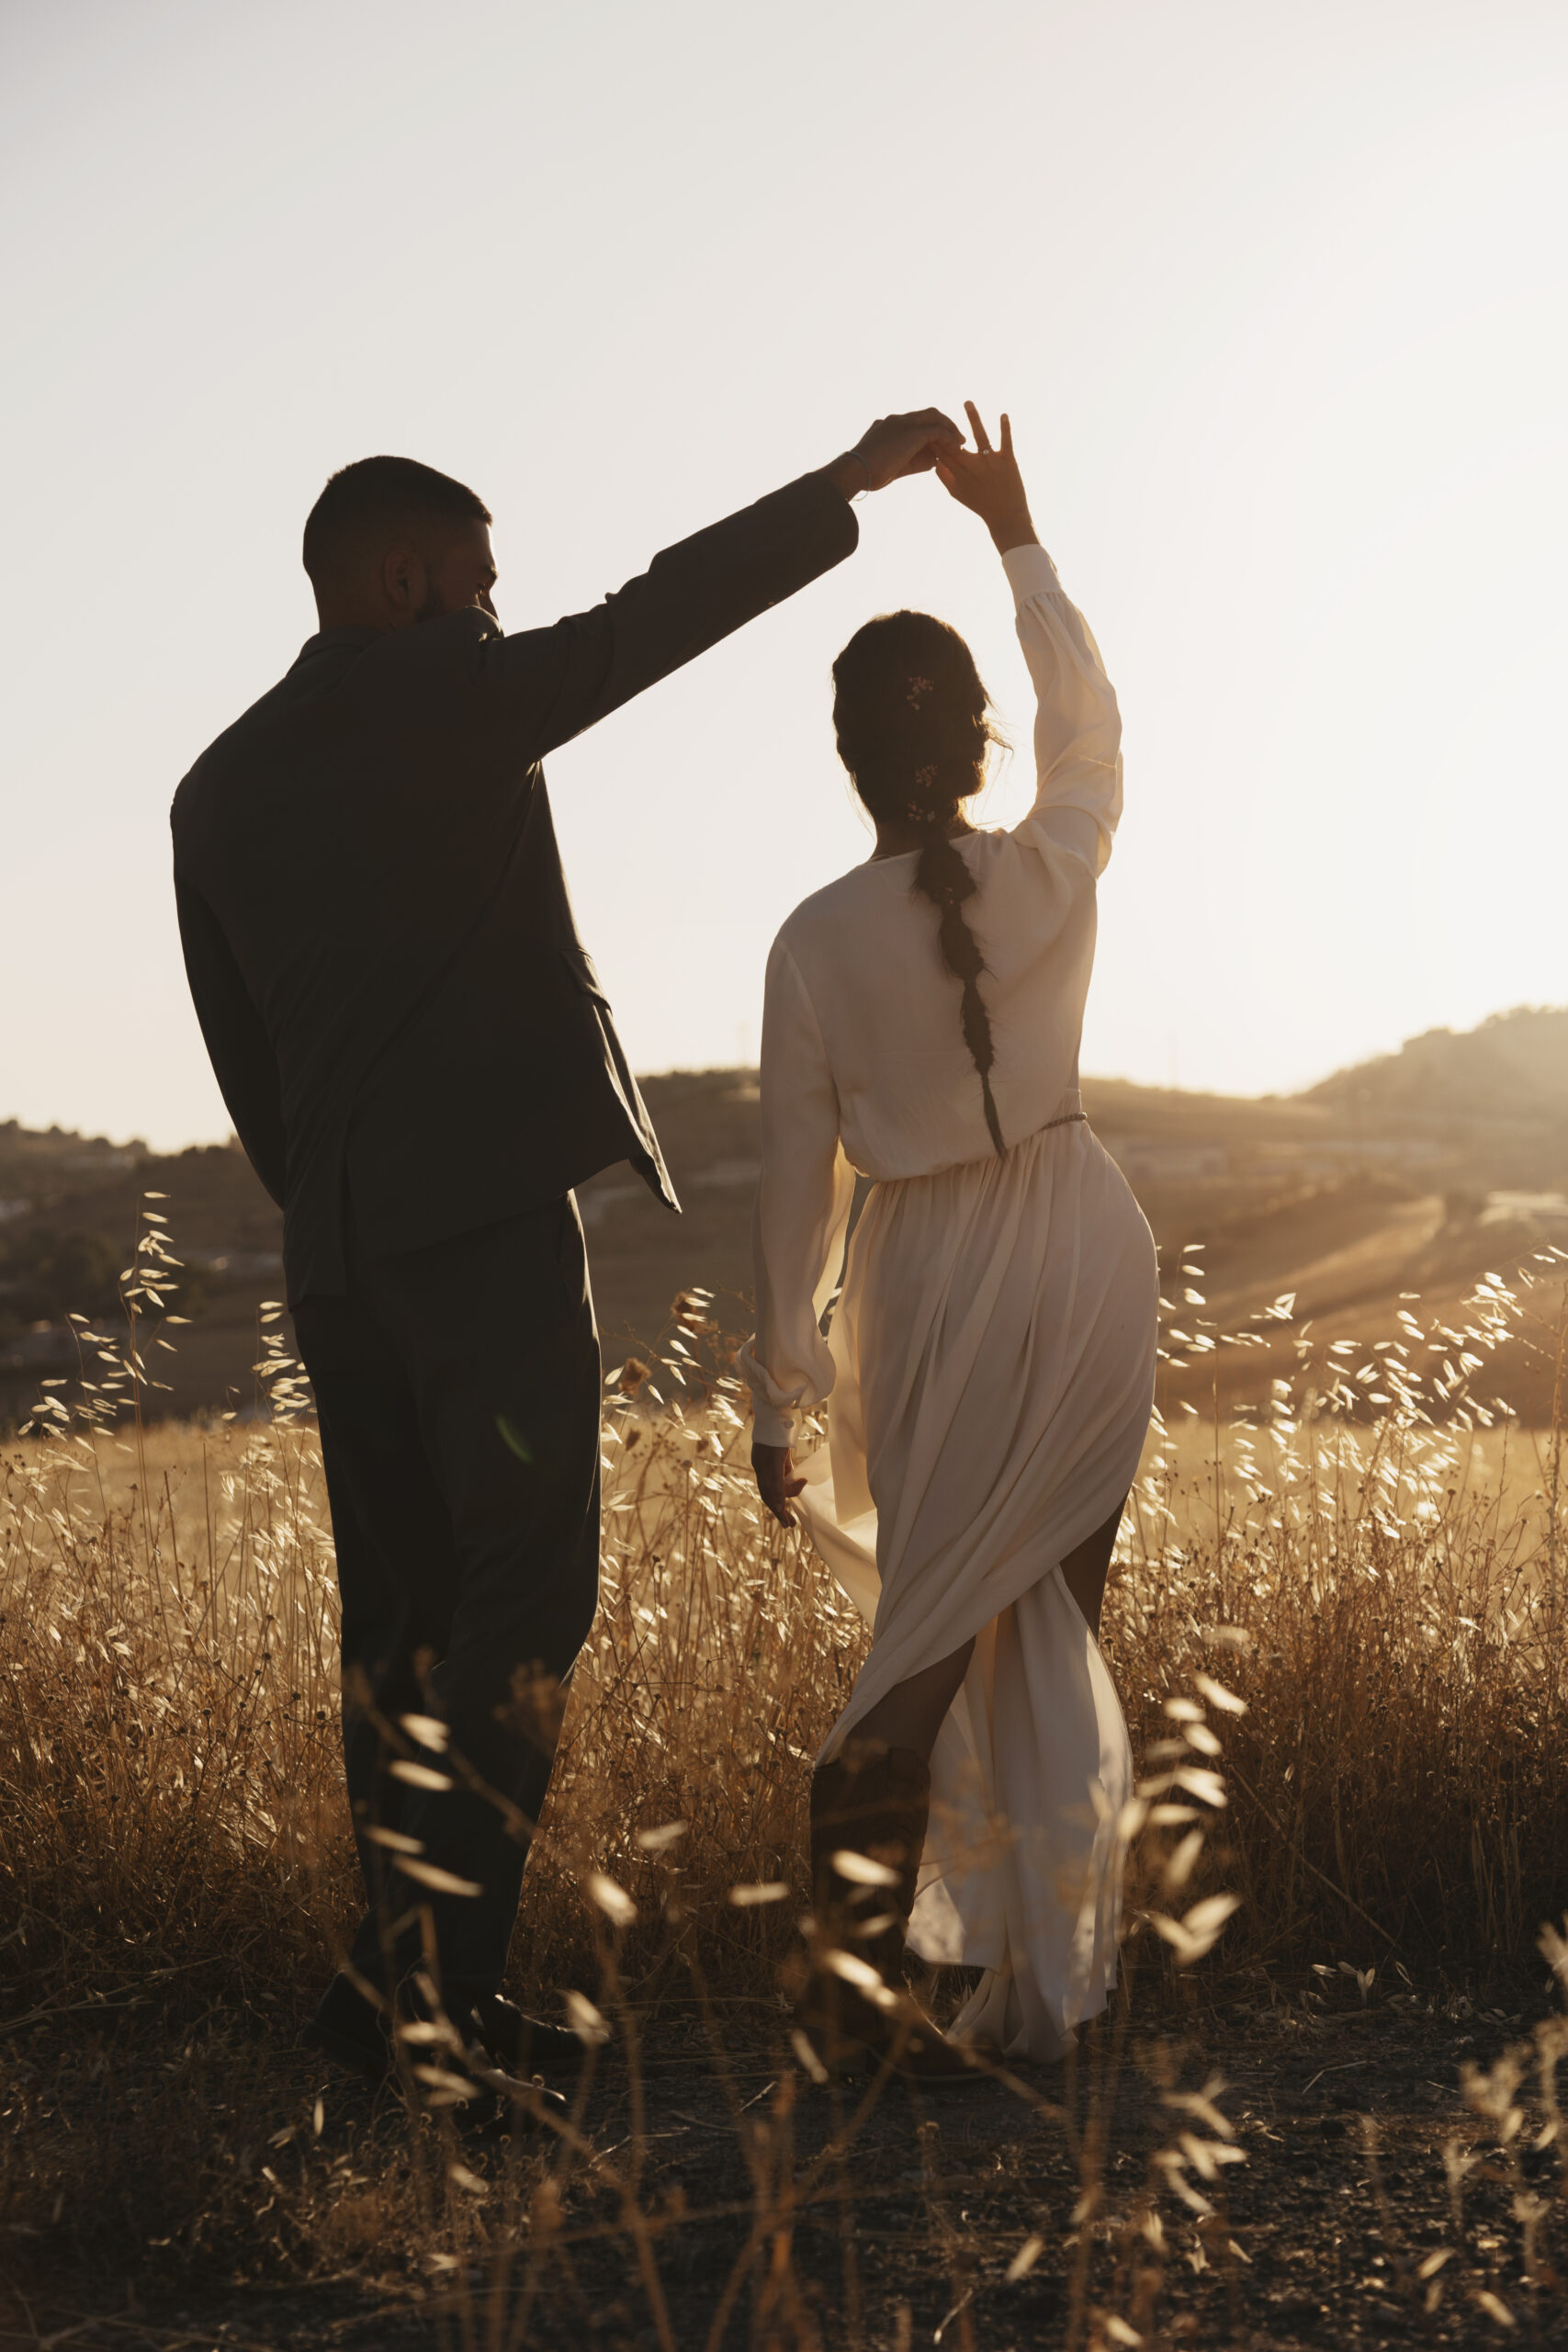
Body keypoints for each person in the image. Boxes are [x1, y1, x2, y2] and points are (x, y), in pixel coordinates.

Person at [170, 410, 962, 2084]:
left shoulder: (214, 787)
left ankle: (385, 1988)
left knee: (398, 1630)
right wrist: (837, 493)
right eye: (476, 583)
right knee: (529, 1596)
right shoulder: (439, 696)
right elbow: (648, 622)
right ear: (403, 577)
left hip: (339, 1250)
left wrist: (338, 1209)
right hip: (478, 1234)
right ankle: (437, 2009)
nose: (494, 611)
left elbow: (245, 1061)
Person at [740, 406, 1158, 2078]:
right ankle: (1049, 1992)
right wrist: (1017, 535)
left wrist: (780, 1394)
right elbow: (1098, 734)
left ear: (846, 756)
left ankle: (843, 2024)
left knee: (919, 1651)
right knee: (1056, 1625)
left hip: (926, 1289)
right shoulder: (1053, 859)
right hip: (1083, 1254)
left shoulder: (811, 943)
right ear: (976, 742)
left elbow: (794, 1191)